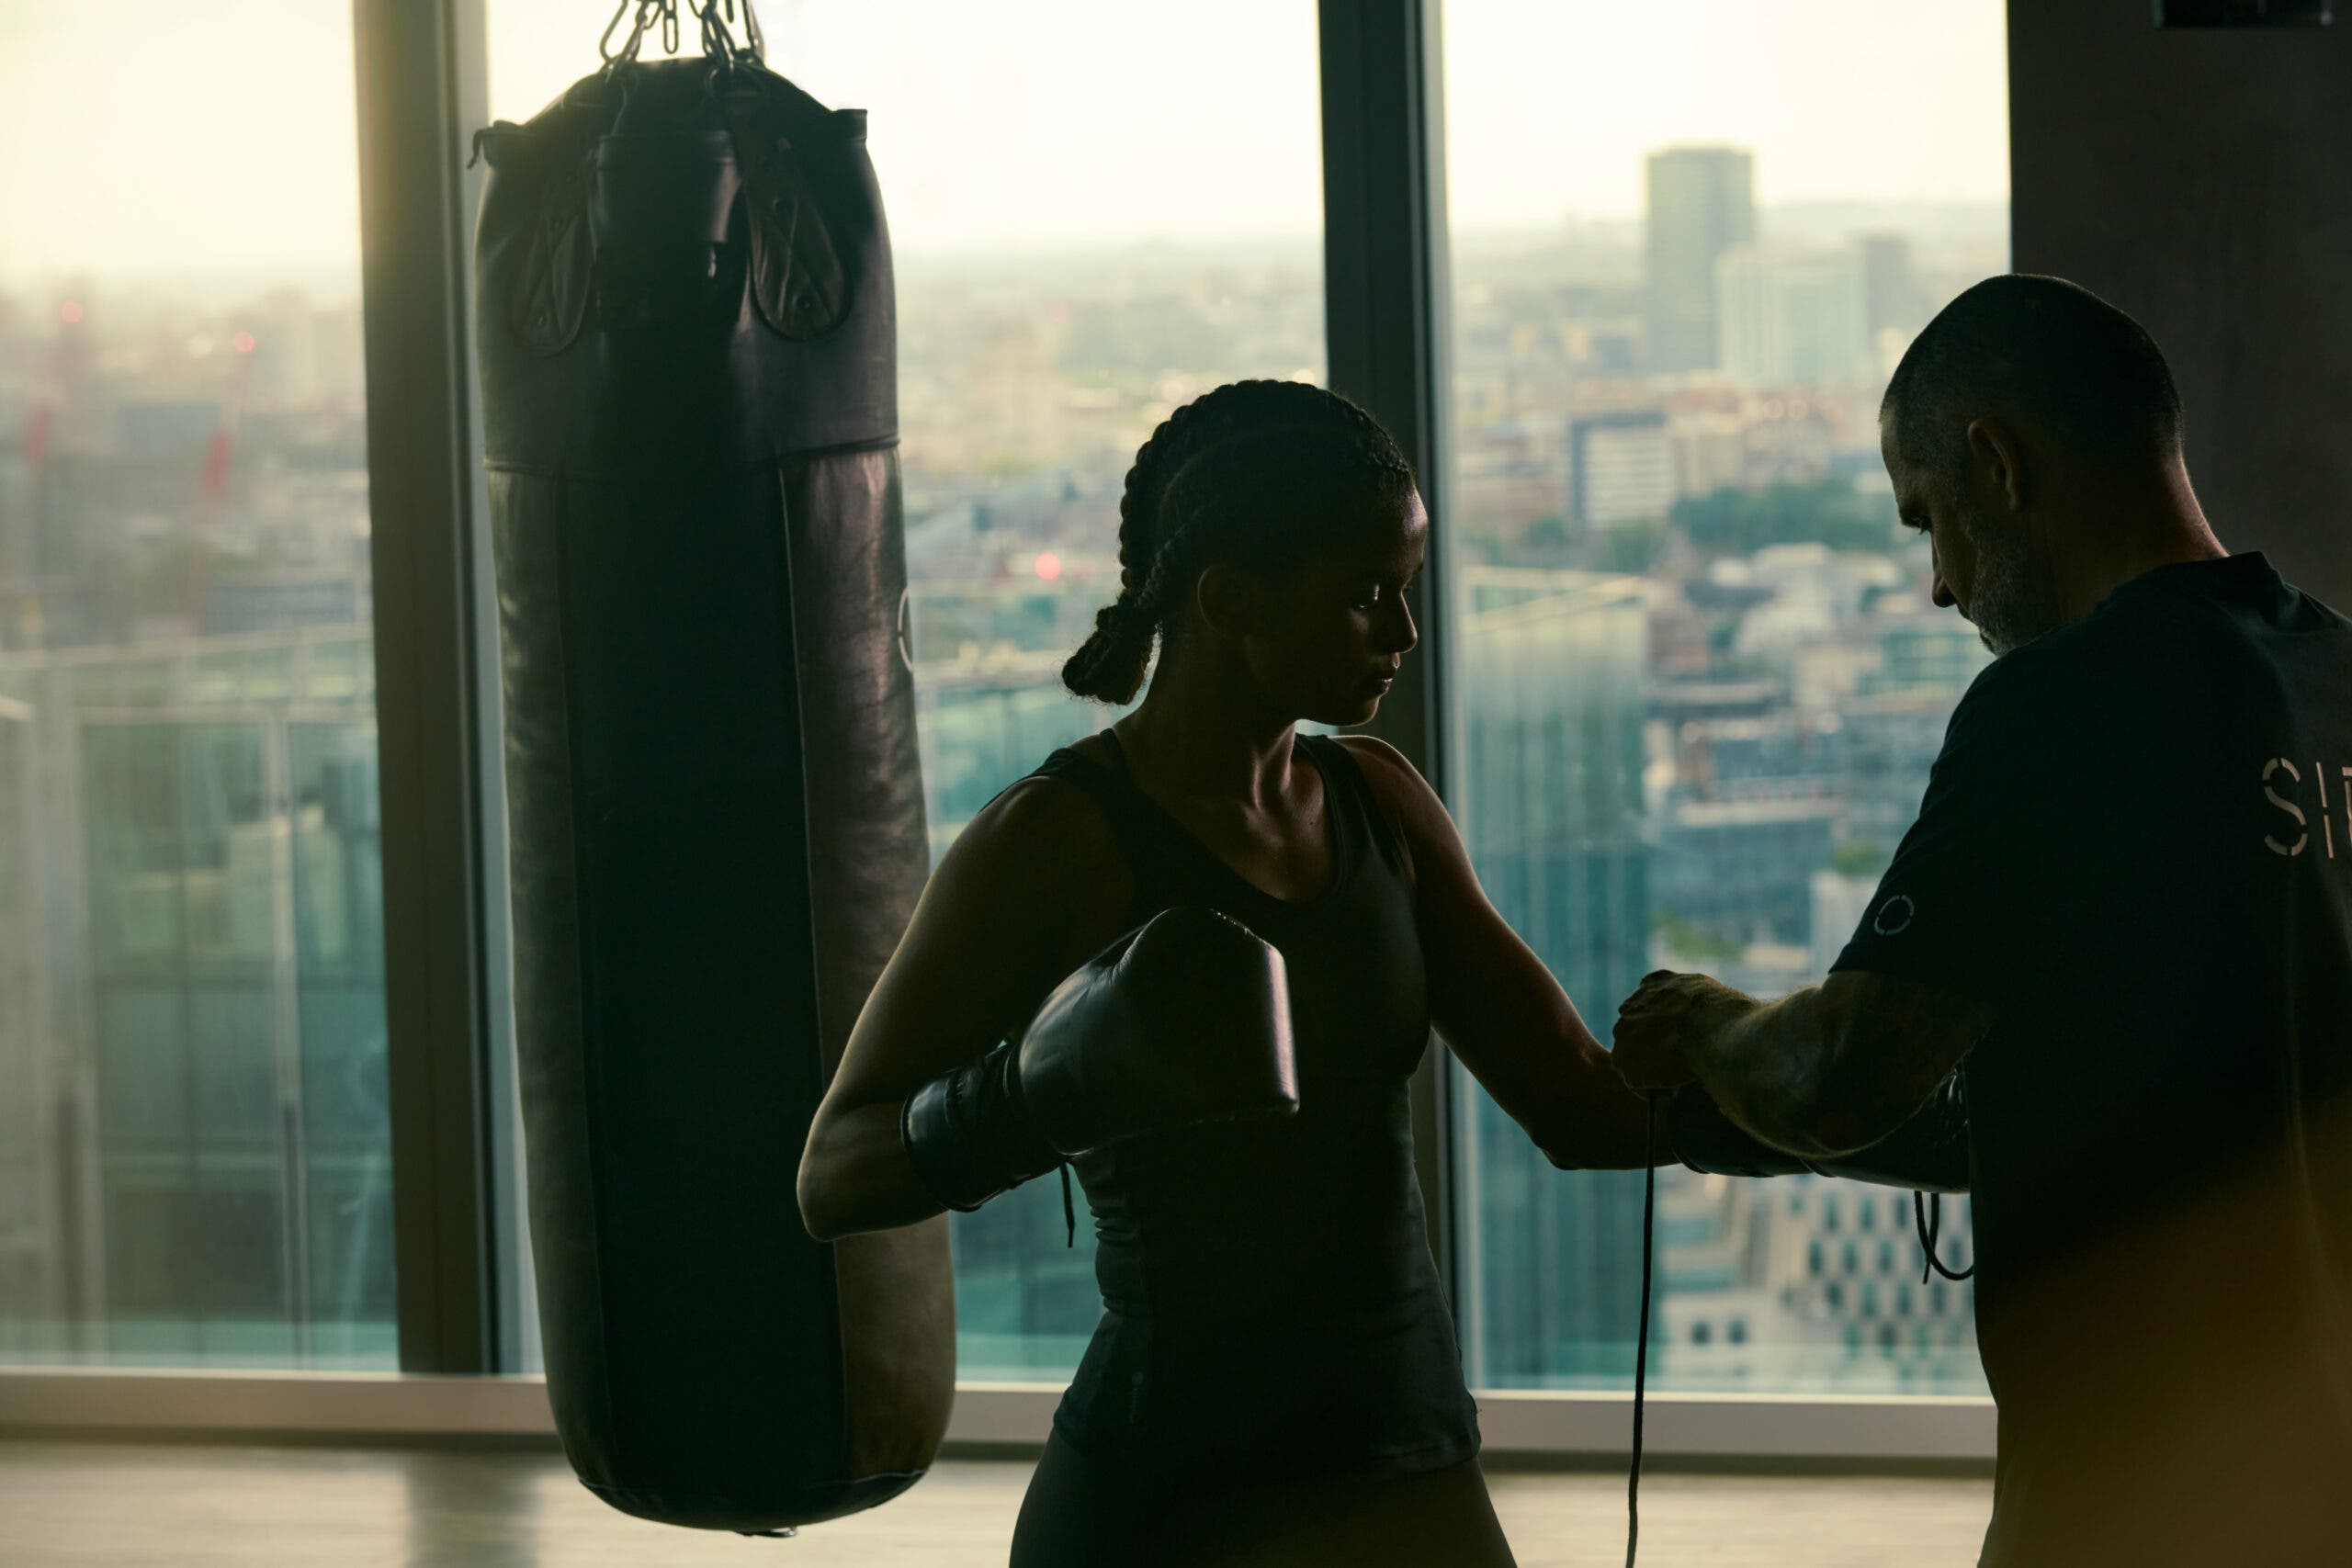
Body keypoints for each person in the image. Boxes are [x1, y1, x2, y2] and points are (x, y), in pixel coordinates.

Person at [797, 378, 1659, 1568]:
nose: (1404, 636)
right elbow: (833, 1172)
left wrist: (1851, 1077)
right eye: (1366, 598)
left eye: (1404, 591)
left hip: (1406, 1463)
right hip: (1165, 1499)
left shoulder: (1380, 804)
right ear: (1231, 601)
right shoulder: (1055, 839)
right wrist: (1038, 1090)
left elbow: (1576, 1098)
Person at [1612, 274, 2352, 1566]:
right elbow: (2179, 1095)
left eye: (1930, 523)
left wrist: (1709, 1022)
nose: (1945, 586)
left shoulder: (2060, 707)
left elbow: (1840, 1078)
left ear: (1997, 465)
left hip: (2144, 1485)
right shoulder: (2336, 675)